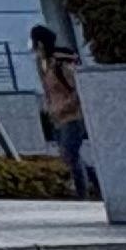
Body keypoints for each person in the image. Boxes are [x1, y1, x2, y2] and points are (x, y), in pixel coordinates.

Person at [33, 23, 94, 198]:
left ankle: (84, 194)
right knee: (68, 156)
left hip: (72, 117)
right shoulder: (44, 64)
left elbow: (77, 90)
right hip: (58, 118)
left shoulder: (61, 64)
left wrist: (63, 107)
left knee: (70, 154)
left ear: (40, 43)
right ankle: (95, 183)